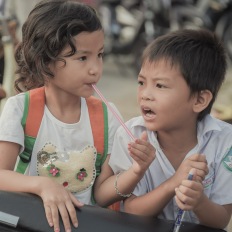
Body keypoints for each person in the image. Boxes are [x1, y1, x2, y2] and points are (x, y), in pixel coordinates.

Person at [0, 1, 122, 232]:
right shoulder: (20, 109)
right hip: (30, 223)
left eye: (100, 55)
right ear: (44, 60)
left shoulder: (108, 116)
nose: (96, 68)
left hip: (84, 225)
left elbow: (103, 195)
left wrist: (136, 169)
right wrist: (43, 185)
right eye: (82, 58)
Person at [94, 29, 232, 229]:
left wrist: (200, 202)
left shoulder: (224, 142)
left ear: (200, 100)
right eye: (141, 82)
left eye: (160, 86)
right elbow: (131, 210)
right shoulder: (131, 136)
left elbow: (221, 221)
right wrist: (173, 183)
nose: (145, 95)